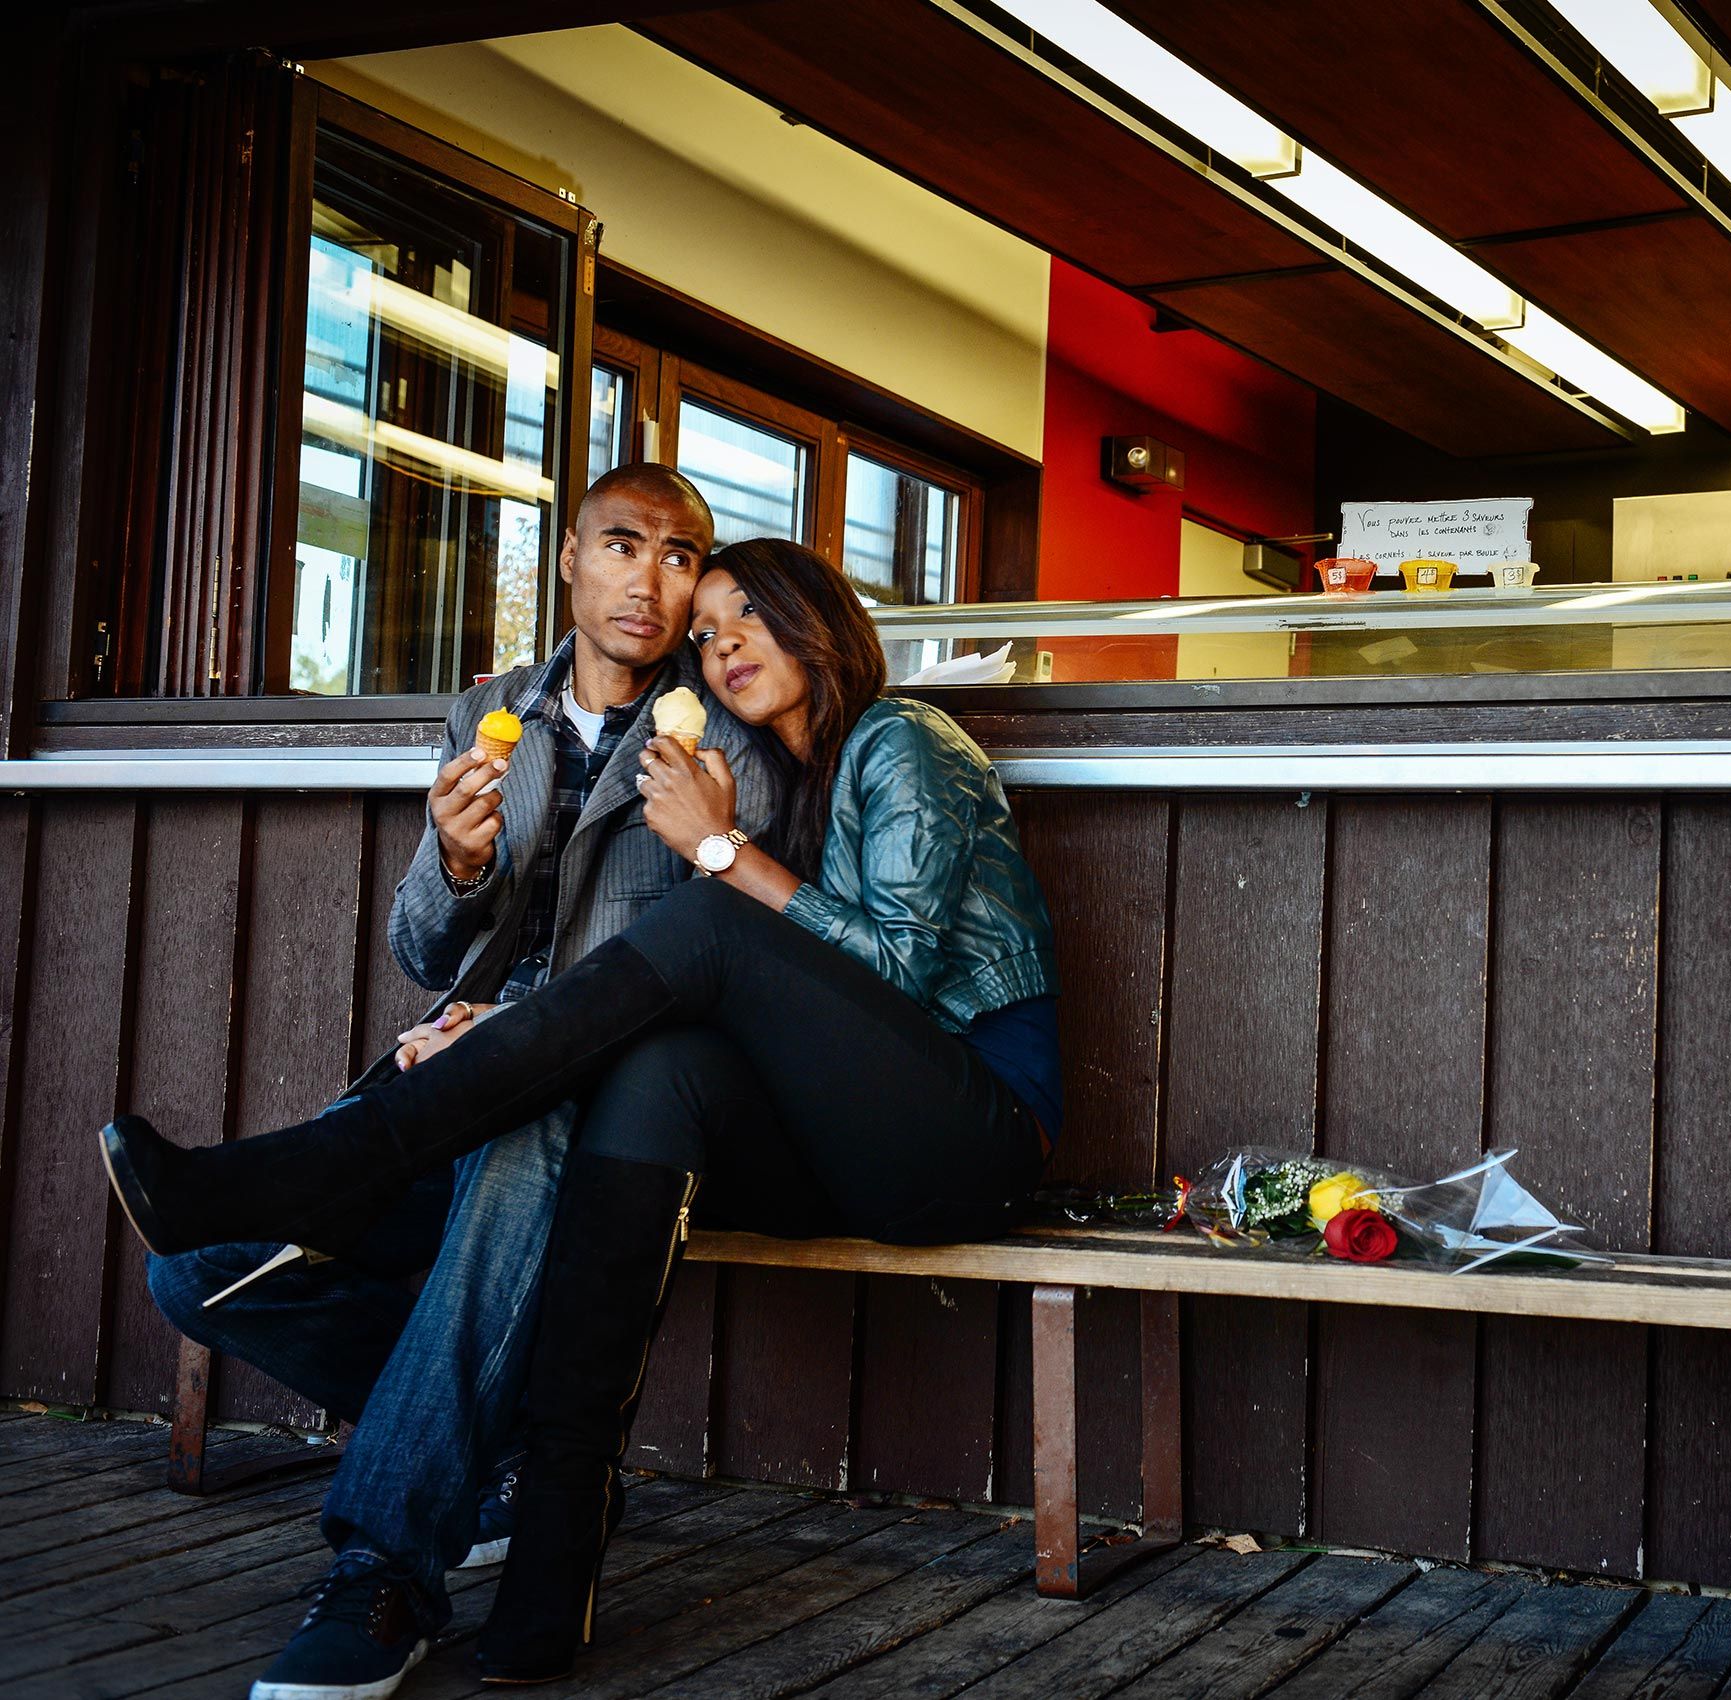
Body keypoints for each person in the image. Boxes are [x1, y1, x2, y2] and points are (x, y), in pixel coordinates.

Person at [104, 536, 1063, 1685]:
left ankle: (331, 1161)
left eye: (749, 613)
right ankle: (554, 1536)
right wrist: (503, 1001)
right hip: (835, 1143)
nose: (723, 644)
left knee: (701, 928)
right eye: (708, 633)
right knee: (661, 1073)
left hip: (967, 1131)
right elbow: (735, 1008)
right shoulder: (757, 775)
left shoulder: (901, 739)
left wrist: (718, 850)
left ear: (819, 615)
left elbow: (895, 972)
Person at [141, 464, 777, 1700]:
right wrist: (454, 859)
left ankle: (383, 1570)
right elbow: (423, 951)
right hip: (443, 1082)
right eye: (623, 544)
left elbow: (716, 962)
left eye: (680, 554)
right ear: (570, 558)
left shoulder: (732, 732)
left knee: (522, 1129)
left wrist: (517, 1026)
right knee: (199, 1268)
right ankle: (505, 1455)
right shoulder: (490, 709)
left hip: (602, 1105)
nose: (649, 579)